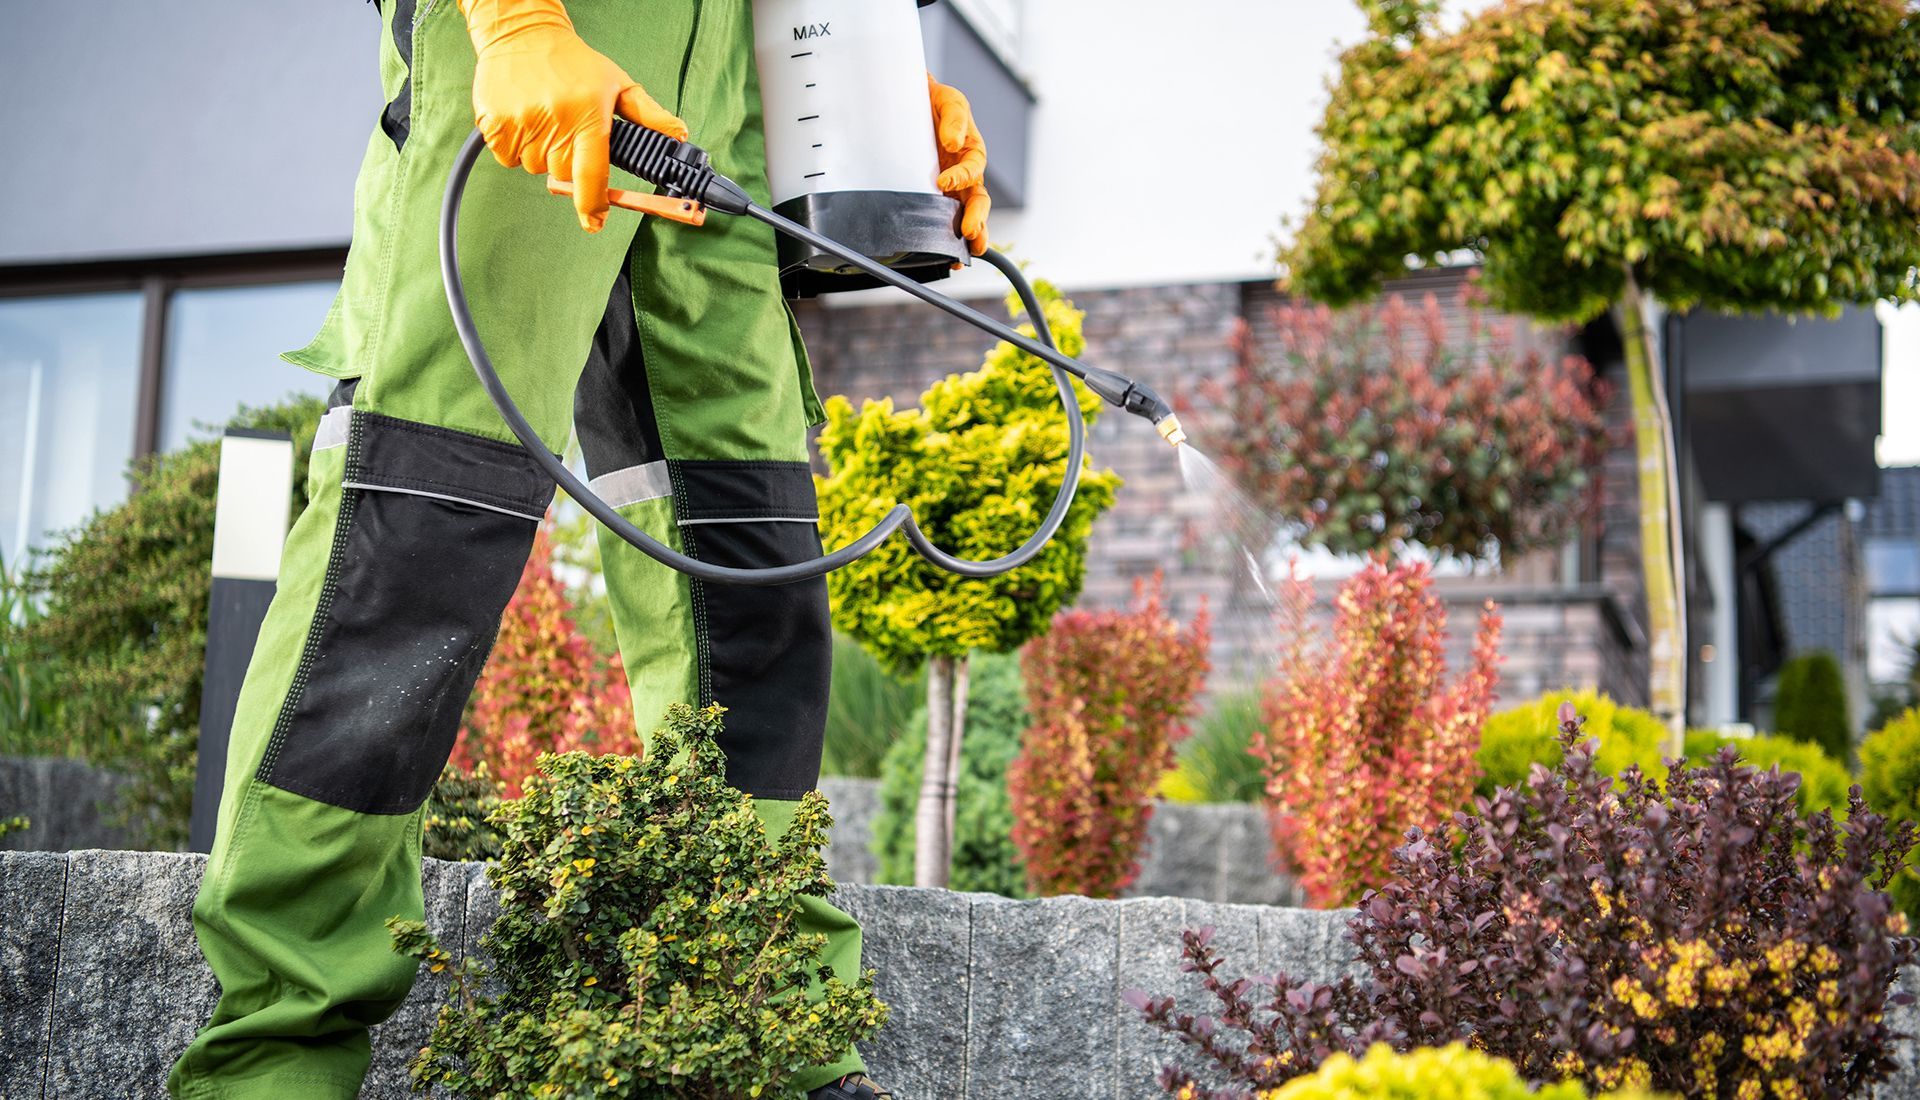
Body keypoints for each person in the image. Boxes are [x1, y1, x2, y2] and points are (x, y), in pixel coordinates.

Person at [166, 1, 988, 1097]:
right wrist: (512, 23)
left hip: (739, 69)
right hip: (547, 31)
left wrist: (868, 83)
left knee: (748, 542)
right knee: (422, 520)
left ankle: (766, 1024)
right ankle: (275, 1055)